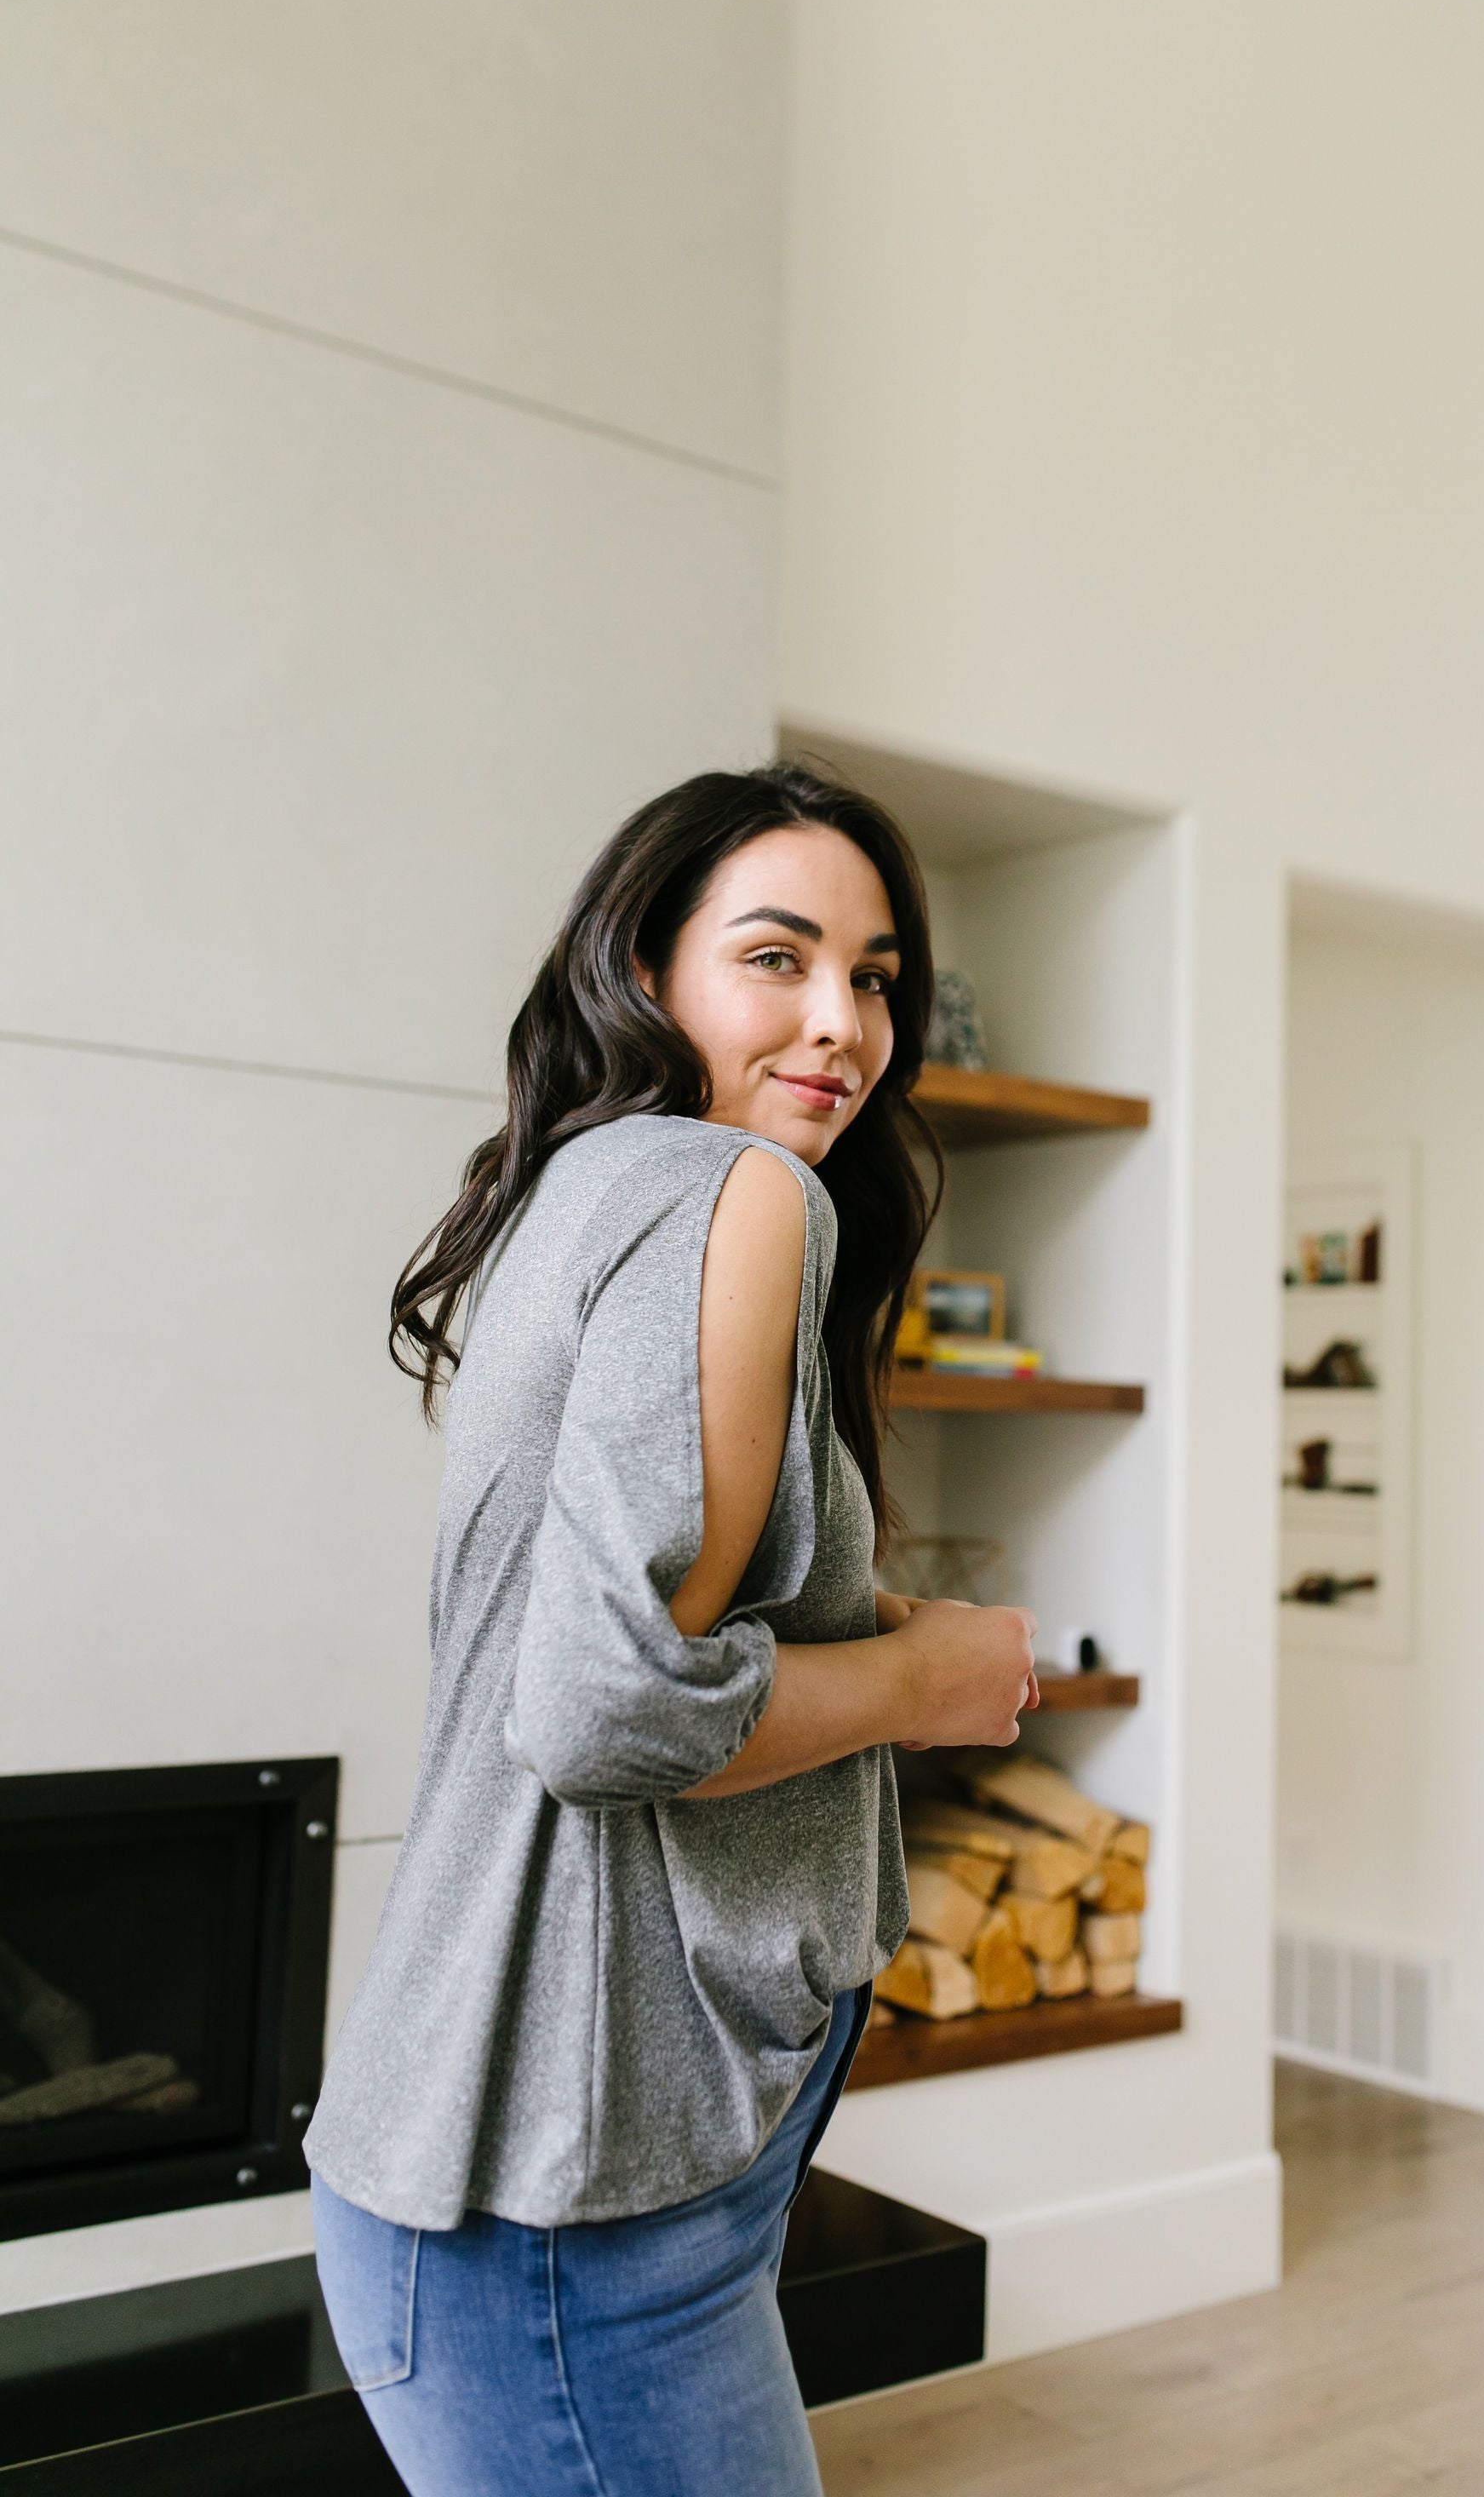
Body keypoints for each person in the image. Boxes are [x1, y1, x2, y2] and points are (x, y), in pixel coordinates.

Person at [302, 755, 1039, 2496]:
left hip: (569, 2185)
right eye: (775, 958)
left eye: (872, 979)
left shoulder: (599, 1187)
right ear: (648, 969)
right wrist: (929, 1676)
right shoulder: (729, 1193)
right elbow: (610, 1712)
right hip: (559, 2208)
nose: (840, 1023)